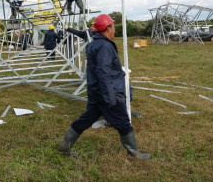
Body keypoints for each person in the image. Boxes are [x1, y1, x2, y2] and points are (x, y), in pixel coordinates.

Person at [57, 14, 151, 160]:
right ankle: (133, 153)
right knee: (123, 122)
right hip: (107, 93)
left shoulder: (95, 43)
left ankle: (65, 145)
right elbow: (103, 72)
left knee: (86, 119)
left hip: (96, 92)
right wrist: (111, 98)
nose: (114, 29)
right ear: (108, 28)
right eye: (113, 26)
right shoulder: (104, 46)